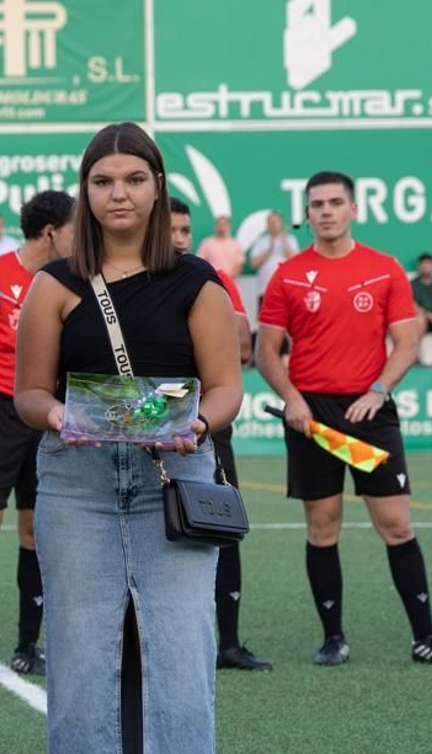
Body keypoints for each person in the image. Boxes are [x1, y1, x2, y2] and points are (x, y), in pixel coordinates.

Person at [15, 122, 243, 754]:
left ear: (157, 187)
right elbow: (29, 391)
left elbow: (223, 388)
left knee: (183, 655)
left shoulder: (199, 281)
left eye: (133, 180)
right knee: (79, 660)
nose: (118, 194)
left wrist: (200, 426)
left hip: (170, 474)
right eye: (104, 181)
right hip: (74, 479)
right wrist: (57, 418)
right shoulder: (53, 287)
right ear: (86, 191)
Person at [255, 170, 432, 669]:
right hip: (312, 414)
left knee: (396, 524)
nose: (325, 211)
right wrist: (293, 398)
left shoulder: (385, 268)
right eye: (316, 205)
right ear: (307, 215)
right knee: (322, 527)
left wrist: (379, 390)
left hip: (370, 412)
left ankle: (426, 638)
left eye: (335, 203)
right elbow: (265, 352)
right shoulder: (286, 273)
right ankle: (333, 639)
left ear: (353, 209)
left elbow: (407, 344)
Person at [0, 189, 74, 681]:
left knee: (37, 529)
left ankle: (29, 644)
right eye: (74, 229)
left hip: (48, 412)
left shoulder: (73, 280)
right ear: (51, 231)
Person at [170, 198, 269, 672]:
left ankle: (227, 642)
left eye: (187, 229)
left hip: (206, 419)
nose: (181, 238)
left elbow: (243, 348)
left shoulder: (212, 278)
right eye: (172, 229)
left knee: (219, 522)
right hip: (140, 425)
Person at [248, 210, 299, 280]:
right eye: (271, 222)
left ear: (281, 223)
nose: (273, 224)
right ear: (267, 224)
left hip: (286, 283)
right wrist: (269, 250)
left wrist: (284, 240)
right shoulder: (260, 241)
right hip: (265, 285)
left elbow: (296, 260)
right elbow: (253, 263)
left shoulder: (290, 239)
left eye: (276, 222)